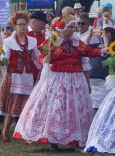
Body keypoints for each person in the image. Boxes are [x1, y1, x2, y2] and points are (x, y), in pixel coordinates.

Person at [14, 19, 101, 148]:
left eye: (73, 28)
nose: (72, 31)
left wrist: (104, 51)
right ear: (62, 29)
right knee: (56, 107)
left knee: (74, 108)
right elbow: (41, 56)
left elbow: (90, 52)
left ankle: (75, 138)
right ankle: (52, 137)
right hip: (57, 78)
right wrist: (45, 59)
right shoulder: (53, 42)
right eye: (70, 28)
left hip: (75, 79)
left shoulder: (77, 43)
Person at [0, 12, 42, 142]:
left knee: (27, 106)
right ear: (15, 26)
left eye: (24, 24)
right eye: (19, 24)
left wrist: (44, 60)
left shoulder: (31, 41)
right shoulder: (8, 41)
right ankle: (5, 131)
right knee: (13, 106)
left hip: (27, 77)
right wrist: (1, 60)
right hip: (14, 77)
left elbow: (37, 56)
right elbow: (5, 57)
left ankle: (25, 134)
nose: (22, 27)